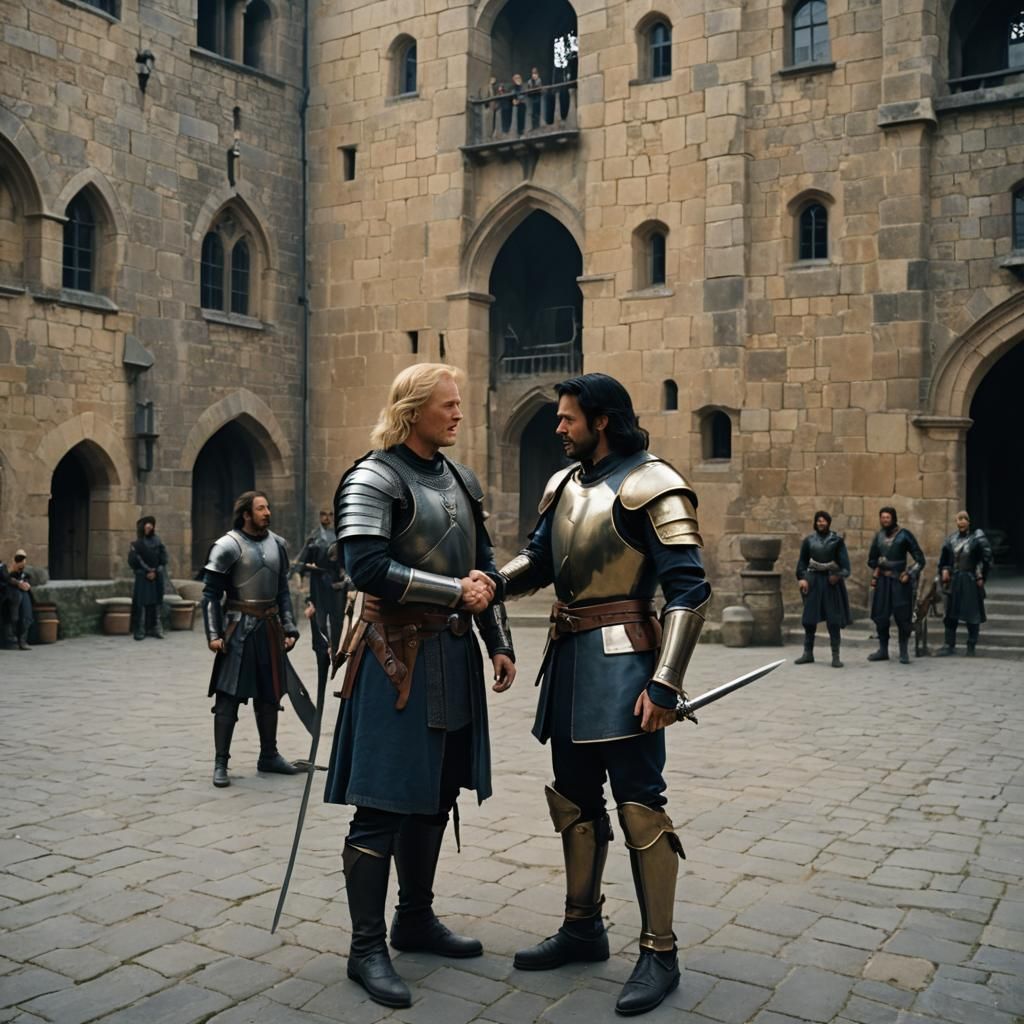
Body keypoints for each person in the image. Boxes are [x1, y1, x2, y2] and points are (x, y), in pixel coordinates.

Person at [497, 372, 710, 1017]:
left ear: (603, 422)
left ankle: (659, 950)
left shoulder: (655, 485)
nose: (558, 428)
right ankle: (583, 927)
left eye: (567, 419)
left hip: (626, 668)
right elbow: (538, 561)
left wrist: (666, 680)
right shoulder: (562, 485)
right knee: (574, 799)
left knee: (641, 806)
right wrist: (487, 583)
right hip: (567, 664)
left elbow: (689, 590)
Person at [326, 363, 516, 1009]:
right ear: (413, 409)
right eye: (448, 405)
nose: (459, 414)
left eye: (460, 403)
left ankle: (415, 918)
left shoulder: (461, 478)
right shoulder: (375, 475)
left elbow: (483, 566)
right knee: (382, 803)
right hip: (394, 661)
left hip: (453, 655)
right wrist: (454, 591)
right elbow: (366, 566)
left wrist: (500, 641)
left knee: (434, 796)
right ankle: (365, 947)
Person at [201, 491, 303, 788]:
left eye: (268, 507)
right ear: (246, 513)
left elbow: (282, 590)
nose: (267, 512)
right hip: (238, 628)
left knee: (270, 695)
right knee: (227, 698)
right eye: (261, 508)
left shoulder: (279, 545)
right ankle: (221, 763)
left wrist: (289, 626)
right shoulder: (227, 546)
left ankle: (269, 755)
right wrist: (213, 634)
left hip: (269, 627)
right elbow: (210, 595)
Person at [867, 506, 925, 665]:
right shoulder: (878, 537)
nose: (885, 520)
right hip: (883, 583)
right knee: (881, 616)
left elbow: (920, 560)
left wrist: (910, 573)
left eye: (887, 517)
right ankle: (883, 650)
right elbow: (871, 560)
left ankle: (904, 651)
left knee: (902, 617)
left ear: (893, 518)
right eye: (882, 517)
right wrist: (878, 567)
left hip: (899, 582)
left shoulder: (904, 535)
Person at [794, 511, 852, 668]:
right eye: (818, 521)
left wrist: (837, 575)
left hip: (830, 583)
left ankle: (835, 656)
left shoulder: (837, 541)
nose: (821, 523)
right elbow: (802, 564)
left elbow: (846, 567)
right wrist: (803, 578)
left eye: (824, 521)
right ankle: (808, 653)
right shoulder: (809, 541)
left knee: (833, 620)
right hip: (813, 582)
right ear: (815, 523)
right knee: (809, 620)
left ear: (829, 522)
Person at [936, 510, 992, 657]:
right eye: (959, 519)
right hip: (955, 580)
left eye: (964, 519)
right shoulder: (951, 540)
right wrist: (945, 570)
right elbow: (944, 560)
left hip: (970, 580)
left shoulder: (975, 540)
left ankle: (971, 645)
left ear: (968, 522)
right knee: (950, 615)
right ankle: (949, 644)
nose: (961, 521)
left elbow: (985, 559)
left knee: (972, 615)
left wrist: (980, 576)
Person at [296, 508, 350, 660]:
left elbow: (345, 560)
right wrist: (302, 572)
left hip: (335, 583)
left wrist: (344, 575)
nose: (327, 517)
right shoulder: (313, 538)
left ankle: (336, 650)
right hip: (318, 583)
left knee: (337, 619)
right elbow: (302, 560)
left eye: (330, 514)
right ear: (319, 516)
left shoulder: (339, 537)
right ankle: (324, 648)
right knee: (320, 620)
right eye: (324, 514)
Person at [128, 516, 168, 641]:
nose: (149, 526)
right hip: (142, 576)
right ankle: (140, 628)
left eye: (151, 524)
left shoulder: (158, 541)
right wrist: (147, 571)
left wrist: (156, 571)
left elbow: (163, 558)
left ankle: (155, 627)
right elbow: (134, 560)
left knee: (156, 602)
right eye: (147, 524)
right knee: (142, 603)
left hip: (156, 577)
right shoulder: (136, 544)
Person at [7, 550, 34, 651]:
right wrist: (17, 583)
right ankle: (12, 641)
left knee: (26, 615)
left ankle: (22, 641)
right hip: (11, 595)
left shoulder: (26, 571)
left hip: (23, 594)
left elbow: (29, 579)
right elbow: (7, 578)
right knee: (13, 617)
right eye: (19, 558)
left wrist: (26, 584)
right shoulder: (8, 569)